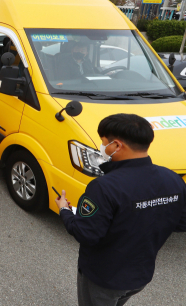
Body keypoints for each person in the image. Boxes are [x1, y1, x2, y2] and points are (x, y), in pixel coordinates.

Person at [55, 113, 186, 306]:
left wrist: (65, 211)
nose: (102, 147)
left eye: (103, 142)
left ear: (116, 146)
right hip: (140, 276)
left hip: (103, 278)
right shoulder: (172, 178)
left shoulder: (104, 187)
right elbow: (181, 222)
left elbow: (86, 234)